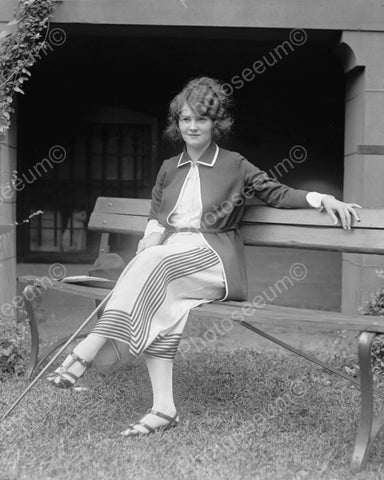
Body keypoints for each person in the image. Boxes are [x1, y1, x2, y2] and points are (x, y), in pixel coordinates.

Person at [47, 77, 361, 436]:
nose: (192, 126)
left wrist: (323, 199)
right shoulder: (169, 167)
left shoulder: (234, 164)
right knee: (162, 295)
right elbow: (155, 214)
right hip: (170, 263)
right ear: (176, 124)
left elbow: (276, 193)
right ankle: (163, 408)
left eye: (201, 119)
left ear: (216, 124)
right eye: (185, 119)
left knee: (154, 264)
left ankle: (87, 349)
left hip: (213, 260)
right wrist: (150, 237)